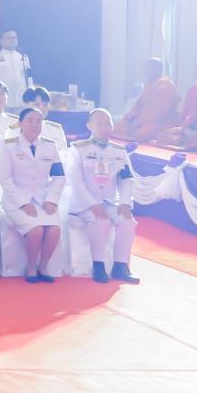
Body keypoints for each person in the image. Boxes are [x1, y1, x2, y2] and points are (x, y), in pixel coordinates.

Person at [68, 108, 140, 284]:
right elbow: (76, 182)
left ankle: (121, 266)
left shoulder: (119, 151)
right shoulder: (79, 149)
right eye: (99, 124)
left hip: (110, 202)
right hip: (84, 204)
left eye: (108, 123)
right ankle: (98, 265)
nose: (104, 127)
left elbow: (126, 179)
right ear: (89, 126)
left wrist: (125, 203)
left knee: (127, 221)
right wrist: (93, 204)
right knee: (101, 221)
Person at [0, 106, 64, 282]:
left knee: (54, 229)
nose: (35, 124)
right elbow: (5, 180)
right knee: (36, 230)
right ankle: (32, 267)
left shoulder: (50, 146)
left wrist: (52, 200)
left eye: (39, 121)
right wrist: (23, 203)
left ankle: (44, 266)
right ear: (20, 123)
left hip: (43, 200)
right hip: (16, 201)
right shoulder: (9, 146)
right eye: (30, 120)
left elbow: (59, 176)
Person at [113, 57, 182, 144]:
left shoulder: (166, 87)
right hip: (144, 120)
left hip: (162, 122)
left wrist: (140, 121)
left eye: (148, 69)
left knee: (141, 134)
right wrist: (128, 118)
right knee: (117, 127)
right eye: (145, 70)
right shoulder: (149, 85)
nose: (145, 73)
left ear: (157, 70)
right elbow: (138, 105)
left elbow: (160, 112)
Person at [0, 30, 30, 101]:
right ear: (1, 41)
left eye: (14, 38)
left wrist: (30, 92)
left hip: (20, 97)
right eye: (8, 38)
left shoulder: (23, 57)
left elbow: (28, 78)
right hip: (1, 97)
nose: (12, 40)